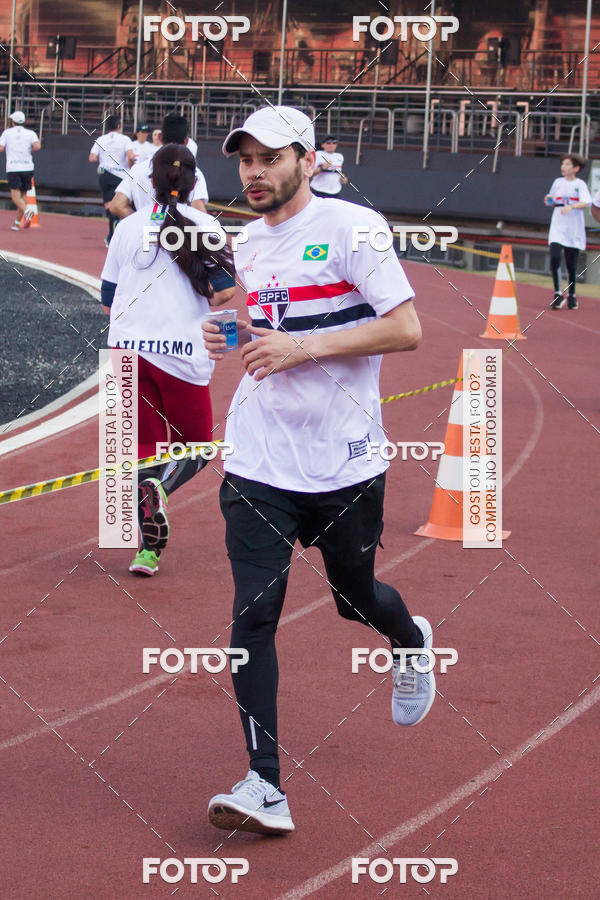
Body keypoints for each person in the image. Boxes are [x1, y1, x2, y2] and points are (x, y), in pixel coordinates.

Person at [202, 106, 434, 836]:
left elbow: (405, 328)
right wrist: (229, 330)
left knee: (355, 599)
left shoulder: (351, 227)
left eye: (270, 158)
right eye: (245, 159)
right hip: (259, 457)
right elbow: (273, 321)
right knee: (252, 615)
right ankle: (263, 784)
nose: (254, 173)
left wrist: (302, 351)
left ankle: (411, 640)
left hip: (343, 459)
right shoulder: (245, 240)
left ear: (306, 158)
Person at [101, 144, 236, 576]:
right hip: (181, 356)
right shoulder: (207, 224)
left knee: (142, 451)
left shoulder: (126, 227)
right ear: (194, 182)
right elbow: (223, 293)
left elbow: (108, 298)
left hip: (125, 352)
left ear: (150, 181)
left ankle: (147, 550)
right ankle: (160, 491)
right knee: (197, 447)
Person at [108, 113, 208, 218]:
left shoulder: (138, 169)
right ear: (187, 141)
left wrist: (141, 223)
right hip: (178, 232)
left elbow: (116, 206)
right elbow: (199, 212)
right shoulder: (193, 171)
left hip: (145, 232)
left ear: (160, 137)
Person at [544, 154, 591, 309]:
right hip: (557, 227)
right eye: (562, 164)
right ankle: (558, 294)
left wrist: (571, 206)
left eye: (567, 164)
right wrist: (548, 200)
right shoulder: (557, 182)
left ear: (576, 168)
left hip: (573, 229)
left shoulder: (580, 184)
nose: (563, 167)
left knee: (571, 264)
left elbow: (586, 202)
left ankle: (572, 295)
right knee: (555, 258)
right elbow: (552, 200)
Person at [89, 114, 135, 247]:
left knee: (109, 205)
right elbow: (130, 157)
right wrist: (131, 165)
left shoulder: (101, 139)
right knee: (123, 203)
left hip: (105, 173)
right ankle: (123, 229)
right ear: (119, 126)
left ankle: (111, 235)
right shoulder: (125, 139)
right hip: (121, 176)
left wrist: (104, 160)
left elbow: (92, 158)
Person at [0, 111, 41, 231]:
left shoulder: (7, 133)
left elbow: (1, 148)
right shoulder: (30, 133)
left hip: (13, 167)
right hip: (27, 166)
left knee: (15, 197)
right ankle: (17, 222)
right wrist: (28, 150)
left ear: (13, 122)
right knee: (23, 195)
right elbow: (37, 146)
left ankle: (28, 212)